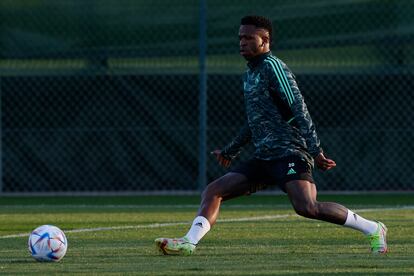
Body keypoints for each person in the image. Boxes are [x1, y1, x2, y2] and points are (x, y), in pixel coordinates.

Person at [155, 15, 387, 256]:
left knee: (306, 207)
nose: (242, 42)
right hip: (264, 157)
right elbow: (255, 121)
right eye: (240, 38)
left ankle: (373, 228)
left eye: (248, 37)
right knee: (213, 191)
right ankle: (188, 243)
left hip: (290, 152)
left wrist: (315, 150)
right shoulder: (250, 74)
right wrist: (231, 150)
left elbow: (299, 109)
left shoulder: (273, 67)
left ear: (265, 40)